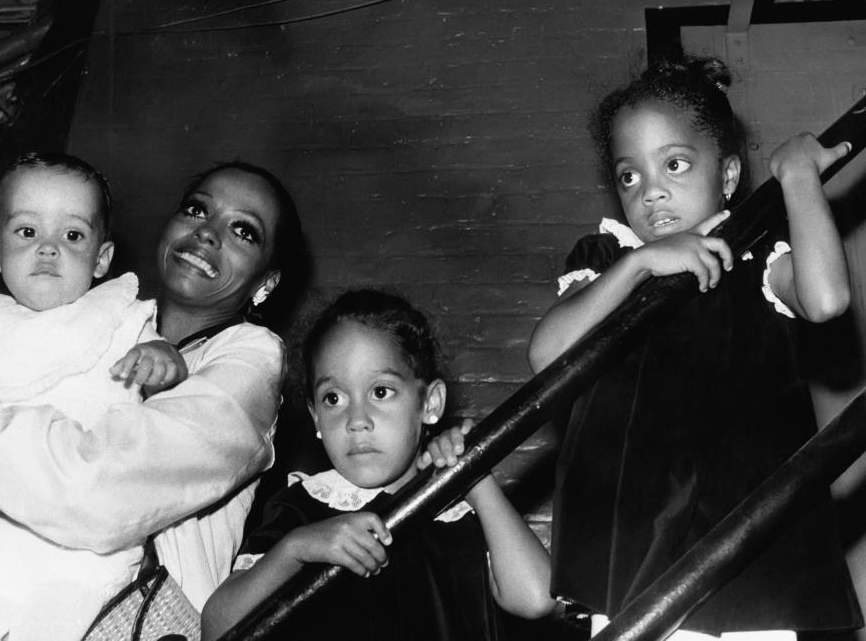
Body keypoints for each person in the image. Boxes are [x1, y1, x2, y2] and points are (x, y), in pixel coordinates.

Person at [527, 55, 862, 638]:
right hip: (635, 549)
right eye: (630, 177)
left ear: (727, 177)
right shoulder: (609, 261)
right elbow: (546, 355)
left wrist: (800, 179)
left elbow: (827, 300)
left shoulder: (757, 255)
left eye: (675, 165)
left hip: (750, 549)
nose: (652, 194)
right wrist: (639, 266)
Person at [0, 159, 305, 636]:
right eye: (196, 210)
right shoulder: (91, 319)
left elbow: (96, 493)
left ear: (266, 282)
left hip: (133, 616)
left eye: (244, 230)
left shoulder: (251, 355)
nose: (207, 233)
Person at [0, 152, 189, 640]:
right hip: (3, 526)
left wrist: (164, 358)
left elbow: (166, 371)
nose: (49, 249)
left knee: (59, 621)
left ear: (101, 259)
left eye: (73, 235)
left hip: (90, 544)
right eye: (27, 232)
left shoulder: (119, 318)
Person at [202, 289, 556, 640]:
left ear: (430, 403)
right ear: (315, 419)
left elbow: (537, 598)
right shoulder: (302, 507)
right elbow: (216, 626)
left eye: (381, 392)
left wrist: (475, 478)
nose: (357, 420)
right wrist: (294, 550)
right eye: (333, 398)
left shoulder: (460, 512)